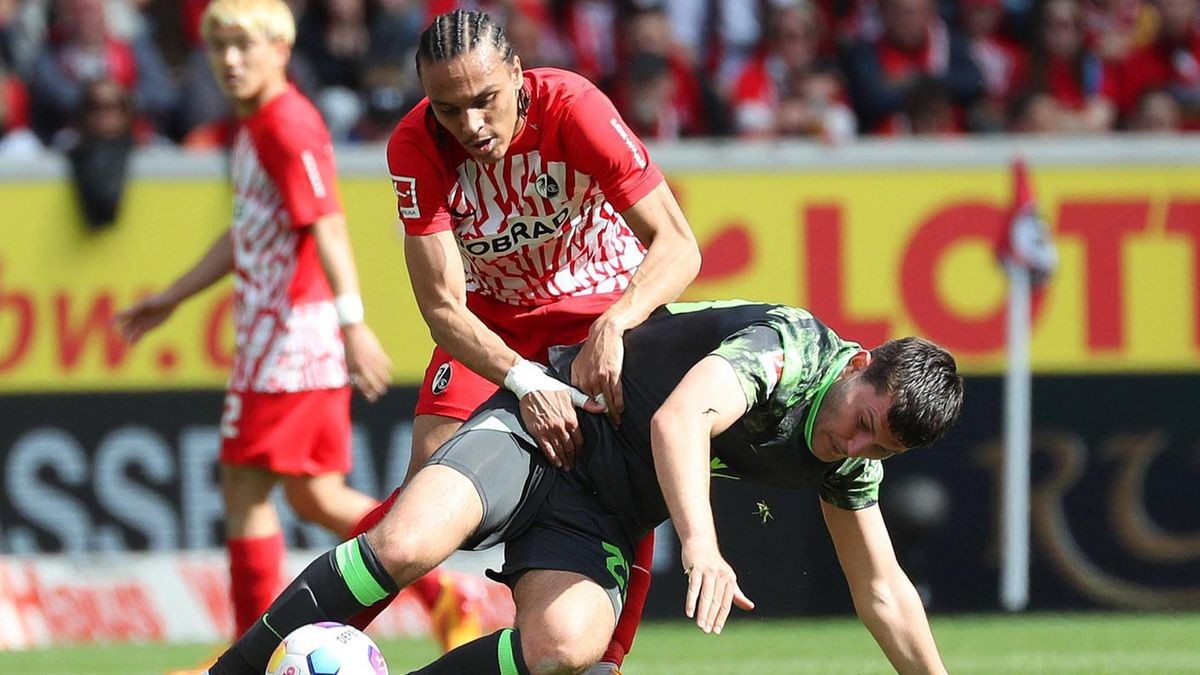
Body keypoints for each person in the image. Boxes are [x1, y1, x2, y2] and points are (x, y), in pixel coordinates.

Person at [205, 299, 964, 675]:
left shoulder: (850, 459)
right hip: (554, 425)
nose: (854, 443)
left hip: (604, 510)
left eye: (880, 446)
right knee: (403, 542)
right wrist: (701, 545)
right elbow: (679, 421)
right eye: (862, 420)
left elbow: (884, 589)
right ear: (861, 363)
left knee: (564, 647)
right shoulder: (792, 348)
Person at [346, 8, 701, 671]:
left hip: (599, 307)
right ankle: (285, 647)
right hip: (492, 322)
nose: (472, 126)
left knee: (623, 477)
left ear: (518, 73)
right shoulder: (415, 144)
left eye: (485, 100)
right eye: (449, 109)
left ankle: (605, 659)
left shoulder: (575, 107)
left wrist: (617, 321)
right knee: (419, 500)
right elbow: (442, 307)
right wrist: (524, 377)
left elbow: (679, 246)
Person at [114, 0, 392, 643]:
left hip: (286, 339)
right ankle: (441, 598)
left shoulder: (285, 124)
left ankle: (248, 654)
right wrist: (175, 296)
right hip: (290, 334)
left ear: (281, 49)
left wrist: (354, 322)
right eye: (220, 48)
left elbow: (327, 223)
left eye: (245, 46)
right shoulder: (258, 124)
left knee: (245, 487)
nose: (230, 60)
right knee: (314, 497)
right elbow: (248, 233)